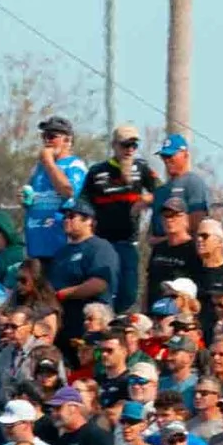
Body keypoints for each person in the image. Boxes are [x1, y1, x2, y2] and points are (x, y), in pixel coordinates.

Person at [81, 125, 158, 312]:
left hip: (127, 242)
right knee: (105, 289)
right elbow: (83, 203)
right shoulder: (97, 171)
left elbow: (162, 192)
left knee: (129, 291)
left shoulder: (141, 168)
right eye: (125, 145)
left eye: (134, 145)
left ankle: (118, 319)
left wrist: (146, 199)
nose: (130, 149)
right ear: (114, 145)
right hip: (102, 243)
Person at [23, 116, 88, 264]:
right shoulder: (39, 168)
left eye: (52, 136)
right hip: (36, 242)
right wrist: (25, 200)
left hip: (59, 243)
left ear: (67, 140)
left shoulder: (74, 165)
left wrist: (49, 163)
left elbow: (68, 192)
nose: (47, 141)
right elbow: (34, 198)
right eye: (44, 136)